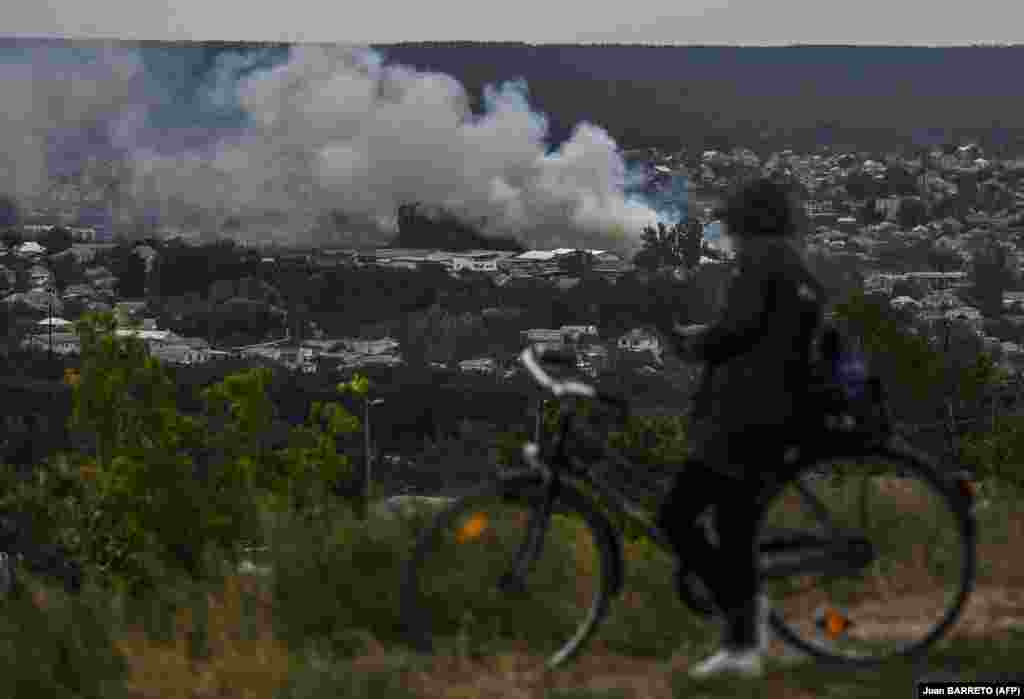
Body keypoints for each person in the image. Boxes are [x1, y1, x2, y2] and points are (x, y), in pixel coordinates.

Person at [657, 177, 828, 678]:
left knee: (677, 518)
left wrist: (692, 343)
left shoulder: (760, 262)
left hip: (742, 422)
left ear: (747, 223)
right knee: (735, 530)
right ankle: (745, 642)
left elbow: (737, 331)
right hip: (776, 417)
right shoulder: (791, 263)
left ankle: (743, 625)